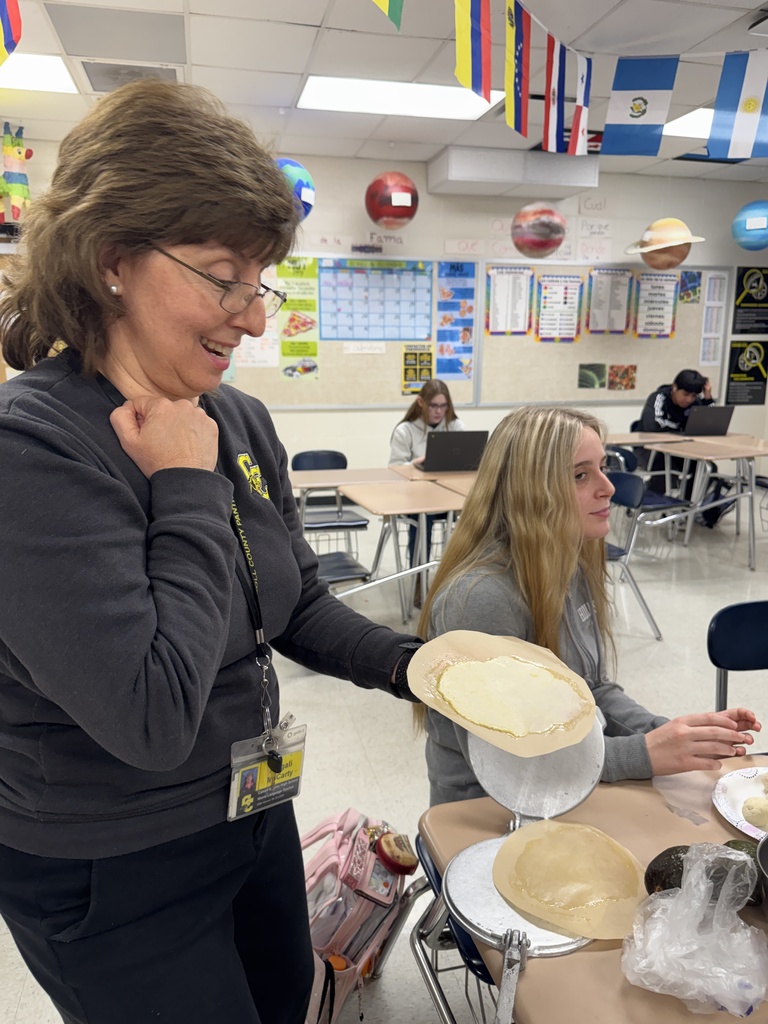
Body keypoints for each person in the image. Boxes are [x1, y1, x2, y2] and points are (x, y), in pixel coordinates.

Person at [0, 80, 422, 1024]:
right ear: (113, 260)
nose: (255, 314)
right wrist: (185, 484)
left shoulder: (235, 415)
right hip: (108, 861)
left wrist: (423, 669)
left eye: (260, 279)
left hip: (246, 805)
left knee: (283, 1001)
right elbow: (148, 714)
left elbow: (292, 601)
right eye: (222, 275)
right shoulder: (30, 447)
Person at [416, 406, 760, 807]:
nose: (608, 487)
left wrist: (673, 734)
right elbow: (509, 762)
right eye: (581, 475)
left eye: (602, 466)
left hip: (564, 787)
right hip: (485, 810)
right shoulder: (482, 599)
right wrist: (644, 753)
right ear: (530, 490)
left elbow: (592, 689)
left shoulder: (569, 562)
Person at [388, 380, 465, 593]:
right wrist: (414, 463)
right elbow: (394, 467)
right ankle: (419, 583)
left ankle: (457, 582)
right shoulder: (405, 430)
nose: (439, 411)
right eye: (433, 406)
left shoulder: (455, 426)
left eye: (443, 406)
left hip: (449, 496)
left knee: (473, 521)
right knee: (424, 523)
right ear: (421, 402)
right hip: (418, 499)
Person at [639, 368, 715, 495]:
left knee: (706, 468)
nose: (689, 400)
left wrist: (707, 398)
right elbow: (653, 424)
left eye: (693, 396)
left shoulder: (694, 402)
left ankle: (688, 506)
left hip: (680, 450)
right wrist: (680, 428)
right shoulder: (659, 397)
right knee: (663, 467)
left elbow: (709, 423)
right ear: (674, 388)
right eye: (685, 394)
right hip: (652, 449)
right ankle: (655, 503)